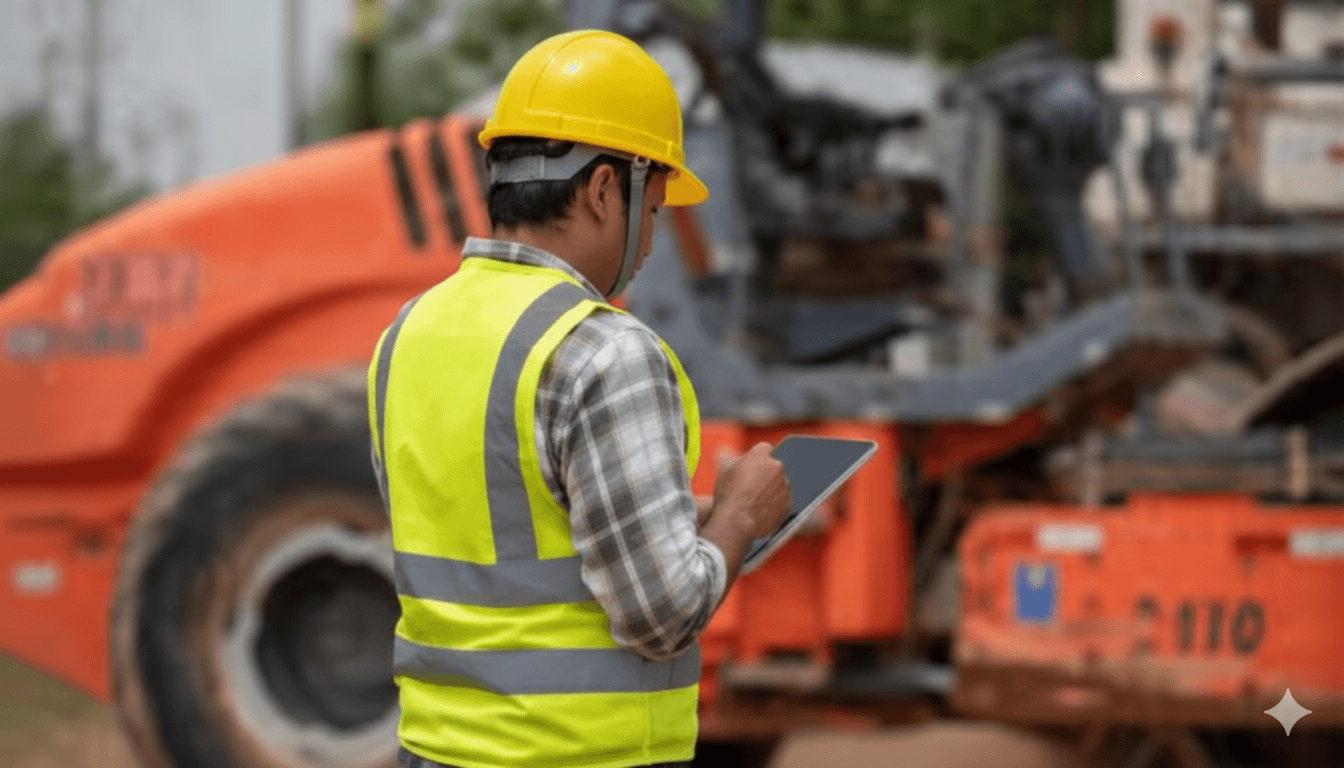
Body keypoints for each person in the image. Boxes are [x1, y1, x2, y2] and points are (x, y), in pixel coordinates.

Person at [367, 29, 793, 768]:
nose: (653, 242)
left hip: (434, 751)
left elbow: (508, 526)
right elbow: (663, 614)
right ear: (602, 190)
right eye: (654, 211)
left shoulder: (407, 335)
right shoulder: (603, 351)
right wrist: (738, 521)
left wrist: (682, 512)